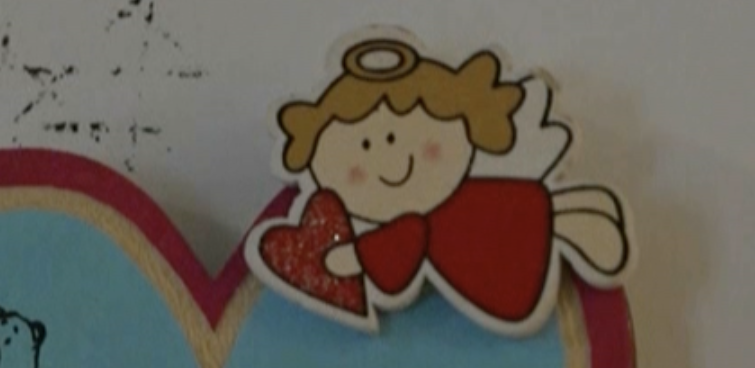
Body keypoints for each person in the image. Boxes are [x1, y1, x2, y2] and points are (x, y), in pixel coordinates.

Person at [256, 38, 629, 333]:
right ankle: (577, 219)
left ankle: (577, 222)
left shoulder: (423, 219)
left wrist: (348, 257)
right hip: (467, 236)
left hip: (477, 224)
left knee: (526, 223)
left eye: (394, 138)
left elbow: (394, 250)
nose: (391, 161)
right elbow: (395, 249)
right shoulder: (410, 225)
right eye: (365, 146)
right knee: (534, 222)